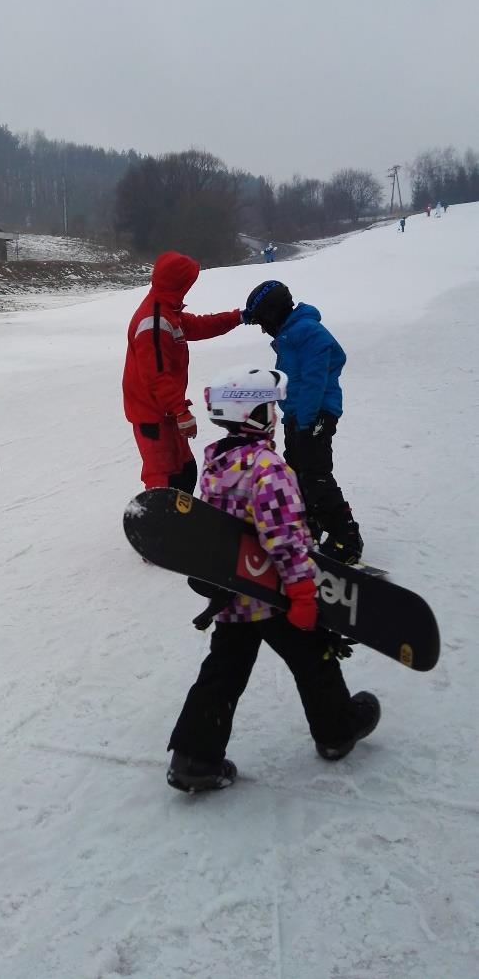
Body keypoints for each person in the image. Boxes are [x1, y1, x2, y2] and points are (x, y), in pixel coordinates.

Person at [166, 366, 380, 793]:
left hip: (237, 592)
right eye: (269, 409)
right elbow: (284, 539)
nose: (275, 417)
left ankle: (194, 758)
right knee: (314, 659)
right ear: (252, 415)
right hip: (276, 593)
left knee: (223, 671)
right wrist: (302, 593)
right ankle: (337, 731)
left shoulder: (217, 464)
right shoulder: (268, 468)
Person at [242, 279, 363, 563]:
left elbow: (314, 380)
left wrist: (306, 421)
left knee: (315, 474)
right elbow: (292, 381)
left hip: (317, 414)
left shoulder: (307, 332)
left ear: (273, 313)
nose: (262, 329)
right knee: (295, 473)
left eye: (262, 321)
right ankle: (311, 524)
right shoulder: (289, 334)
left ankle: (347, 538)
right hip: (298, 416)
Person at [122, 251, 243, 493]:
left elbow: (198, 325)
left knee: (185, 470)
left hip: (166, 410)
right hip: (153, 413)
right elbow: (157, 376)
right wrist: (180, 411)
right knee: (164, 477)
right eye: (188, 282)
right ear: (177, 283)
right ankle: (159, 522)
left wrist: (238, 317)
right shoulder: (153, 321)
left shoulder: (167, 310)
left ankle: (180, 519)